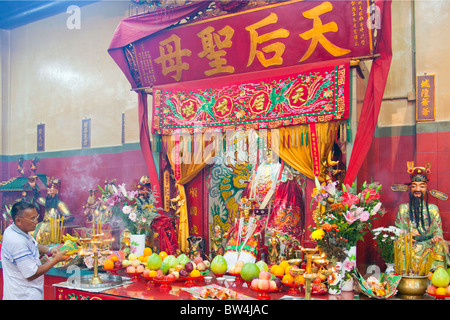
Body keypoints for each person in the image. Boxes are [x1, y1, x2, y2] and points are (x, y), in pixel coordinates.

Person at [1, 201, 68, 300]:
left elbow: (33, 245)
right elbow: (31, 274)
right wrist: (55, 260)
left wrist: (49, 249)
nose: (36, 221)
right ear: (18, 220)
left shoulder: (15, 229)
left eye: (36, 217)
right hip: (23, 295)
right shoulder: (16, 241)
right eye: (32, 218)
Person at [395, 162, 448, 269]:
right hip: (410, 244)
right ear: (410, 188)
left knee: (440, 246)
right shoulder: (403, 208)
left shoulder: (433, 209)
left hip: (428, 244)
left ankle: (435, 276)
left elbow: (438, 230)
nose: (418, 189)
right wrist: (405, 237)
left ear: (426, 188)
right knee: (400, 246)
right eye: (414, 186)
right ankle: (406, 276)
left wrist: (437, 237)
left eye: (421, 186)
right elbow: (397, 231)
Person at [33, 178, 73, 244]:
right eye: (48, 190)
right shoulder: (47, 203)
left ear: (56, 191)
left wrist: (57, 221)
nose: (48, 191)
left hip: (53, 227)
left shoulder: (60, 204)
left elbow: (69, 217)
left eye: (51, 190)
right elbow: (38, 198)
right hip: (43, 224)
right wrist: (34, 187)